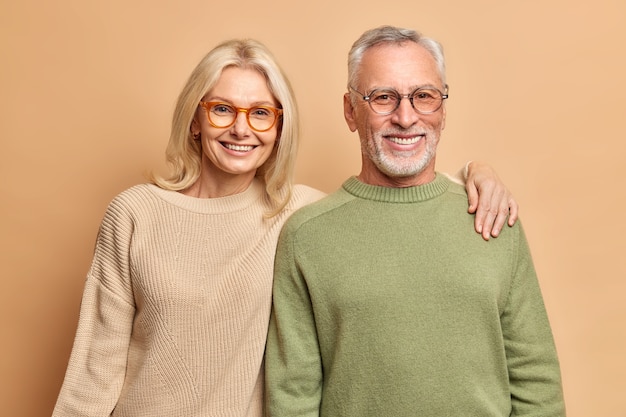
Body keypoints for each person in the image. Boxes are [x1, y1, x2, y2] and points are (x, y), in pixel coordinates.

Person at [52, 38, 519, 417]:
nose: (241, 129)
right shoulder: (135, 214)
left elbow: (395, 201)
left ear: (279, 127)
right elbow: (95, 369)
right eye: (222, 109)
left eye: (260, 113)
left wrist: (477, 172)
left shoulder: (300, 214)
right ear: (195, 120)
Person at [264, 26, 566, 417]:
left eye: (423, 96)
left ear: (443, 109)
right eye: (383, 98)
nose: (405, 118)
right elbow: (293, 395)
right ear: (350, 110)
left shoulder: (493, 216)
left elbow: (535, 378)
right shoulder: (306, 236)